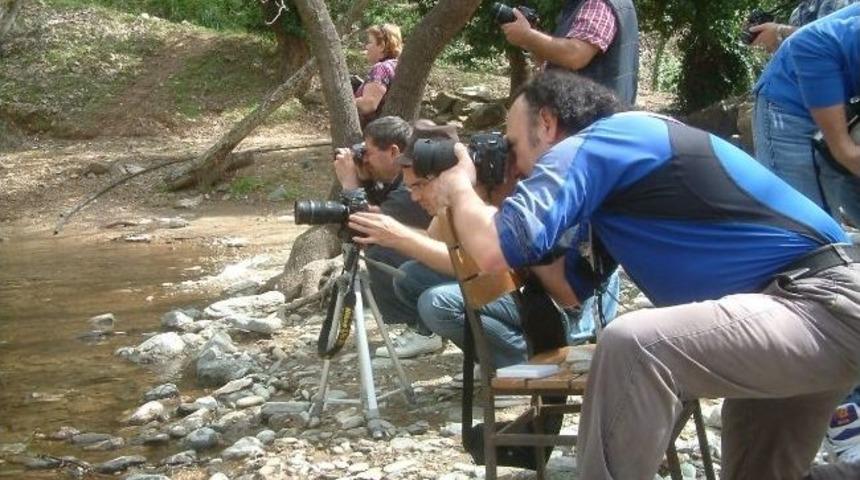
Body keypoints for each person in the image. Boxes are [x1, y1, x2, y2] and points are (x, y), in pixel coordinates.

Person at [426, 70, 860, 479]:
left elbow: (495, 250)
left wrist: (461, 187)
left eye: (515, 146)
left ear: (547, 122)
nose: (516, 165)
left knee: (635, 345)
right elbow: (567, 289)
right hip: (788, 312)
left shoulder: (607, 138)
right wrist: (497, 203)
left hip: (821, 300)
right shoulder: (621, 177)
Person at [346, 121, 619, 370]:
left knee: (437, 303)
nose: (415, 197)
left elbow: (480, 262)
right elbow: (435, 244)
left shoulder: (509, 192)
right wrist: (445, 204)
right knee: (411, 276)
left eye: (419, 186)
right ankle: (493, 354)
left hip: (567, 313)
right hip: (531, 295)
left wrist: (400, 235)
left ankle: (519, 361)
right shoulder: (467, 192)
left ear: (444, 176)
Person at [332, 116, 443, 358]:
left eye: (368, 152)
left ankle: (424, 331)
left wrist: (350, 184)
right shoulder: (400, 180)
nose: (365, 158)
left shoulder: (410, 186)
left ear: (393, 152)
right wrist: (365, 179)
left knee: (380, 249)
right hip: (448, 261)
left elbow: (365, 228)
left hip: (454, 266)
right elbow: (379, 212)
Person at [752, 5, 860, 229]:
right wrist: (843, 148)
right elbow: (809, 43)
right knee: (812, 235)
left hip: (846, 109)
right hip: (794, 106)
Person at [501, 0, 639, 105]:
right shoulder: (581, 5)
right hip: (596, 115)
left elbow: (575, 55)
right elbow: (556, 59)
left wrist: (528, 35)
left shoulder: (598, 4)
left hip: (592, 119)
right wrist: (531, 37)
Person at [748, 0, 859, 53]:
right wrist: (772, 45)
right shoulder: (796, 13)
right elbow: (798, 52)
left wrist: (780, 30)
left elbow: (831, 42)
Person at [354, 23, 402, 127]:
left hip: (374, 135)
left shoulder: (381, 69)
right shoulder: (398, 65)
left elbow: (368, 104)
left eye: (370, 42)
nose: (366, 46)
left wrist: (347, 102)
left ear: (381, 46)